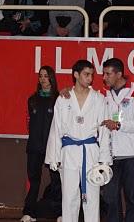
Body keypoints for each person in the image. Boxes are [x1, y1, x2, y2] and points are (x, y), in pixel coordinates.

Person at [45, 60, 112, 222]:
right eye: (86, 74)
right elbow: (56, 128)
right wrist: (54, 156)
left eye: (92, 75)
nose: (90, 78)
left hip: (90, 151)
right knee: (69, 196)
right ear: (76, 74)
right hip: (69, 151)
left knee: (92, 197)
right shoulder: (63, 99)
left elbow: (104, 129)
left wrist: (104, 159)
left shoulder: (98, 99)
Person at [101, 58, 134, 222]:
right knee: (111, 200)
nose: (104, 77)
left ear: (119, 74)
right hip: (110, 156)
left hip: (132, 155)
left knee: (133, 199)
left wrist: (119, 125)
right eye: (104, 74)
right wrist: (66, 91)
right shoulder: (103, 94)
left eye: (108, 74)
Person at [21, 66, 61, 222]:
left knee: (57, 180)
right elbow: (29, 123)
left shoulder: (59, 99)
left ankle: (60, 213)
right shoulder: (32, 100)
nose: (43, 79)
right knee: (33, 180)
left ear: (51, 78)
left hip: (53, 147)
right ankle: (29, 212)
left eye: (46, 76)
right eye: (41, 76)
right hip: (34, 147)